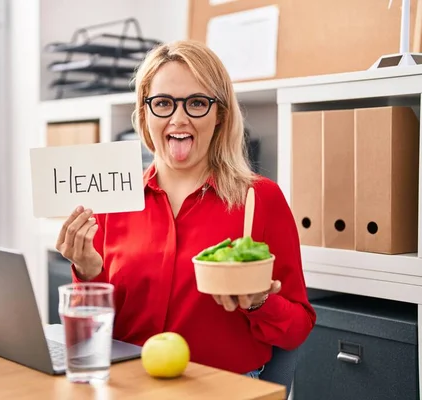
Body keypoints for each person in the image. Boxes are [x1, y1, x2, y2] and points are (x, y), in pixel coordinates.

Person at [55, 40, 316, 378]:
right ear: (145, 112)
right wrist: (88, 272)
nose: (179, 119)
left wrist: (259, 302)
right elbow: (92, 334)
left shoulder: (260, 199)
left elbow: (297, 329)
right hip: (128, 382)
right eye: (163, 103)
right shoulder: (112, 199)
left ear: (220, 113)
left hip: (220, 389)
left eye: (196, 103)